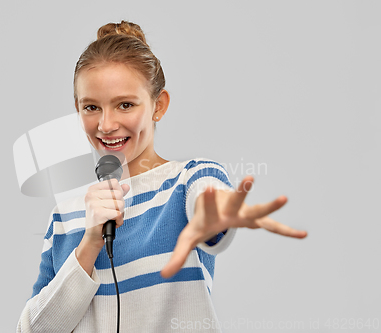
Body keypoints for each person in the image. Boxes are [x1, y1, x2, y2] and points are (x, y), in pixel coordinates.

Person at [17, 21, 307, 333]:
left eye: (125, 105)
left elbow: (209, 198)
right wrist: (88, 245)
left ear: (159, 105)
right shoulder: (65, 217)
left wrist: (218, 214)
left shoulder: (188, 180)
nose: (106, 124)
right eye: (91, 107)